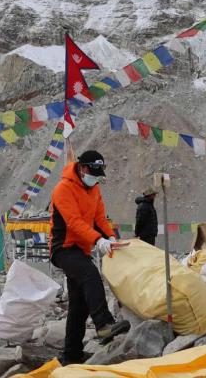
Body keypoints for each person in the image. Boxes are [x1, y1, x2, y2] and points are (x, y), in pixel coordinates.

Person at [50, 150, 130, 365]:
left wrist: (110, 236)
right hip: (63, 248)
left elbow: (99, 218)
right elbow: (74, 223)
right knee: (90, 275)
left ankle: (71, 354)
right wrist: (98, 240)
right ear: (82, 168)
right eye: (93, 172)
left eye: (98, 173)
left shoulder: (94, 189)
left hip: (82, 249)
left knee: (79, 305)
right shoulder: (63, 189)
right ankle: (104, 325)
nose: (95, 178)